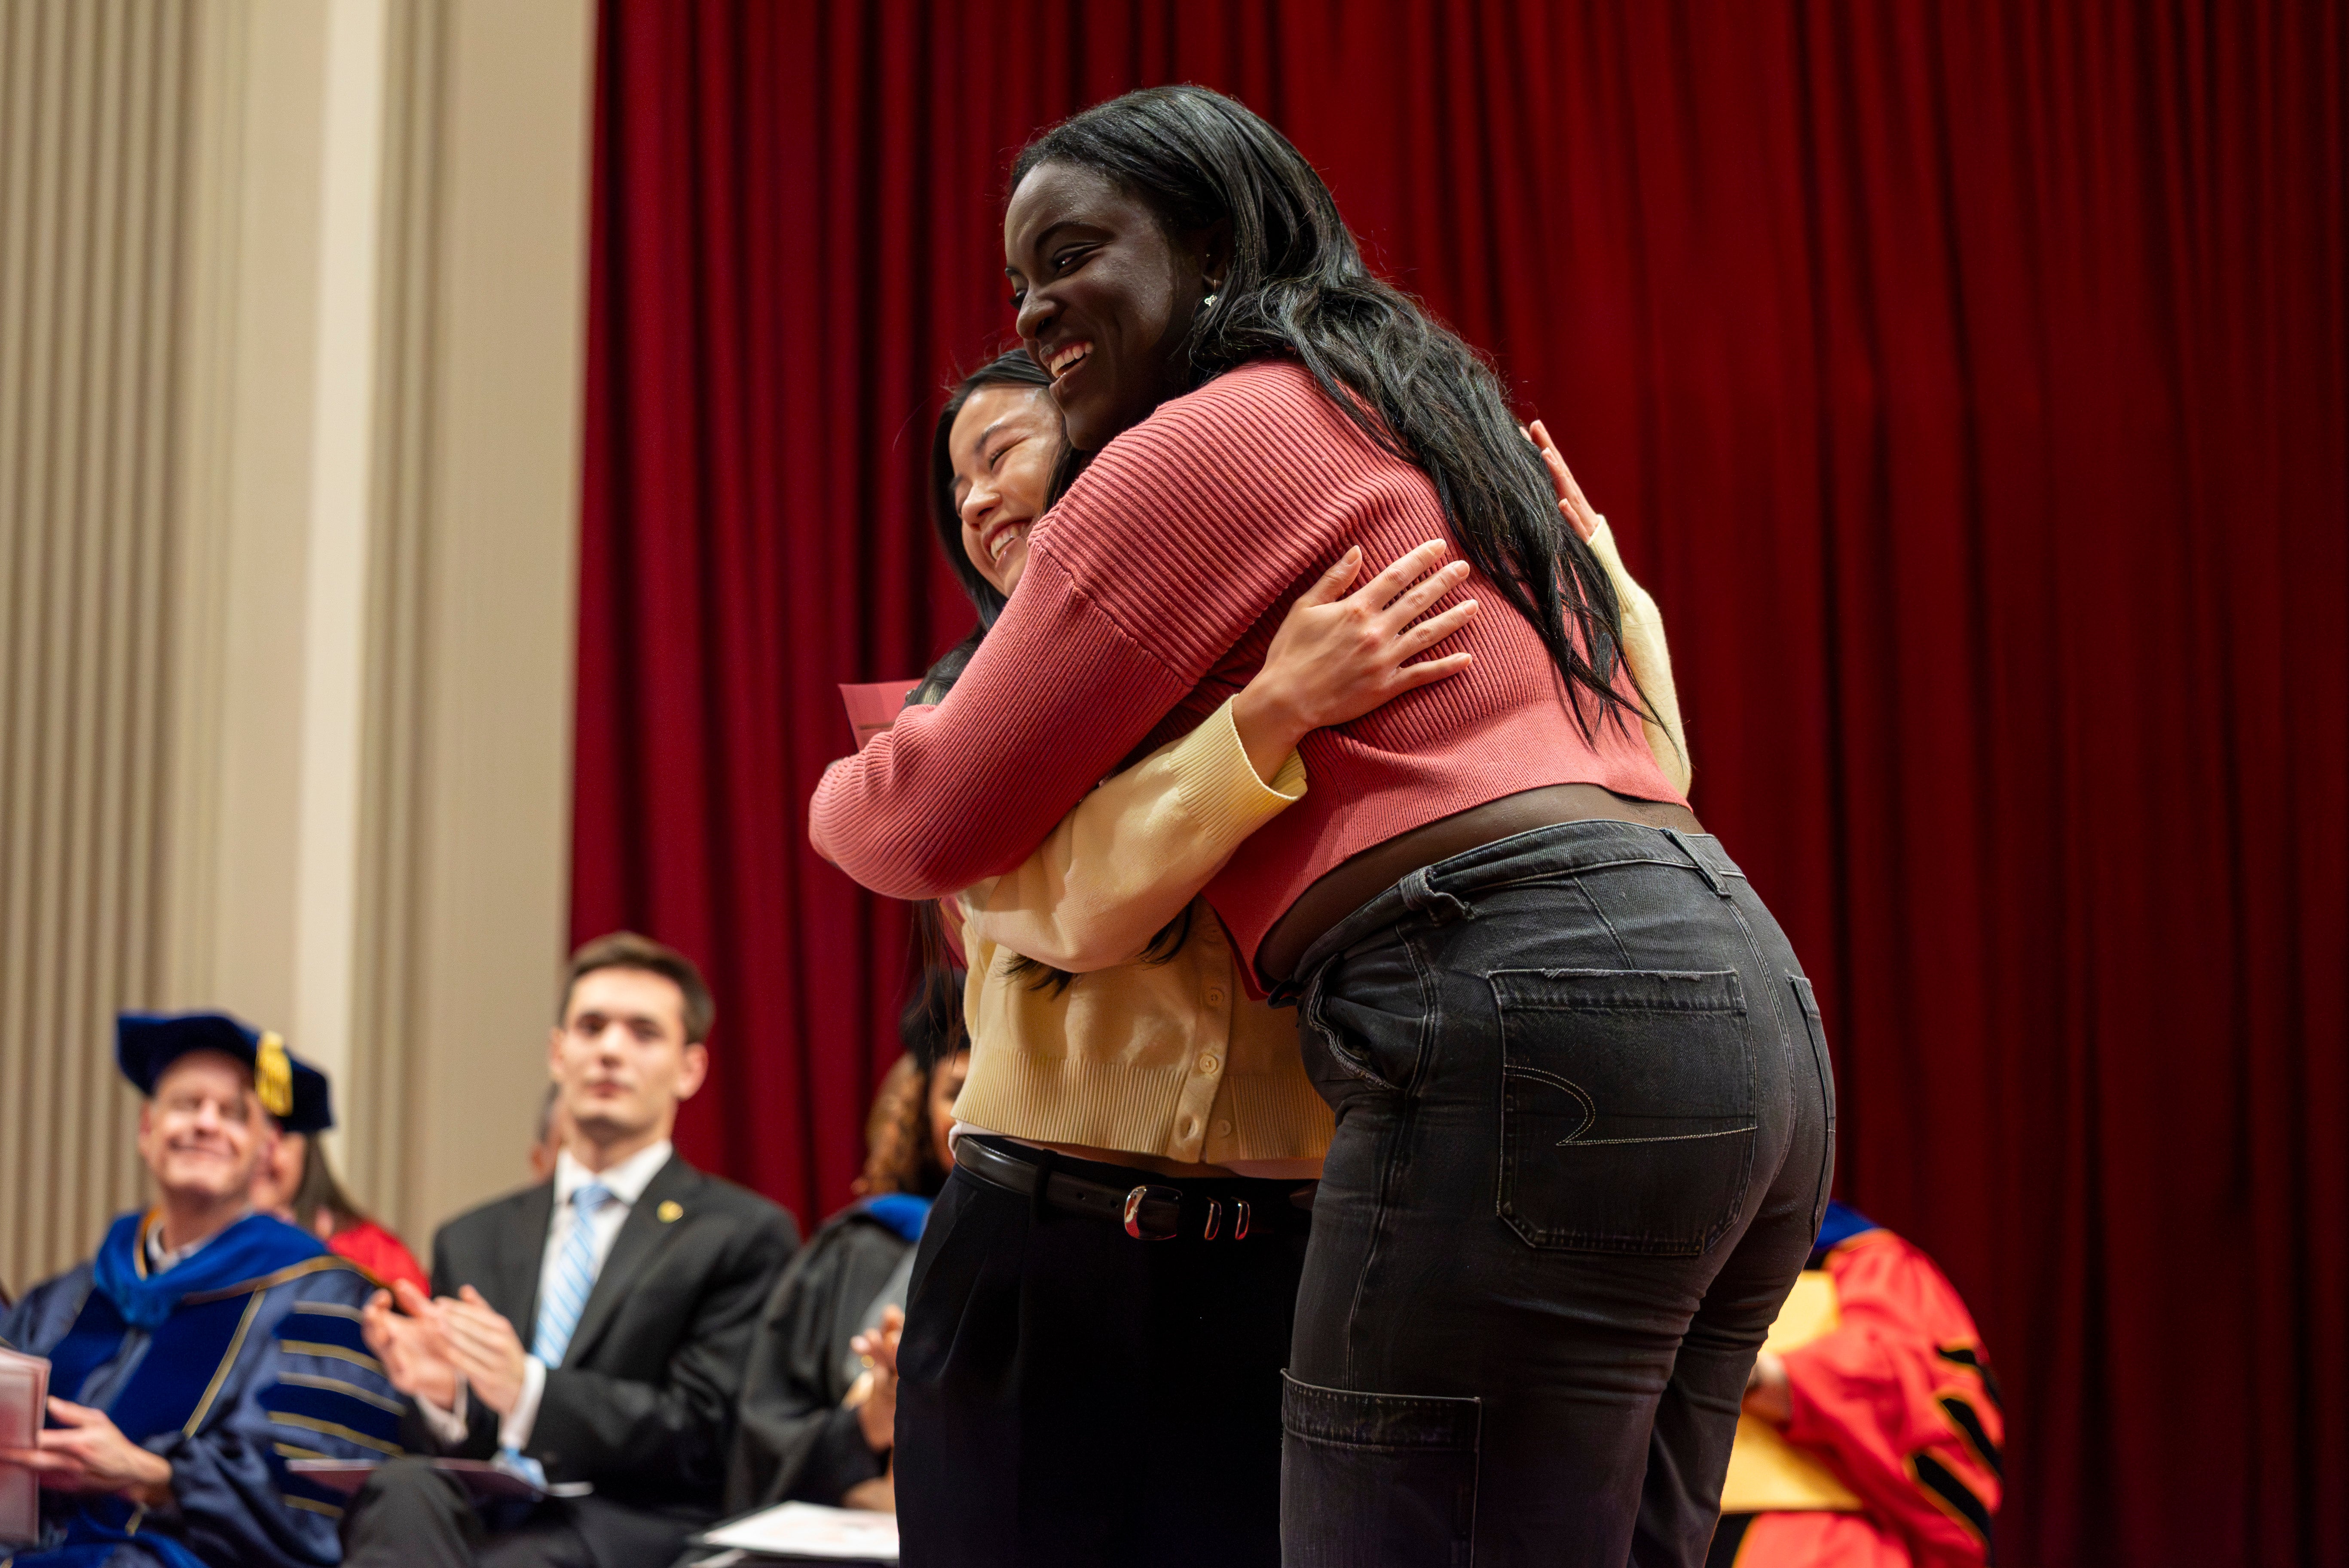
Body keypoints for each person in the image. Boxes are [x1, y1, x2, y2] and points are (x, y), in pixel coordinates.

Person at [810, 85, 1831, 1568]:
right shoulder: (1426, 423)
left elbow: (932, 822)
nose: (1034, 310)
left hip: (1501, 1018)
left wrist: (856, 781)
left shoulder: (1193, 449)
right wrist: (1269, 714)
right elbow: (1646, 751)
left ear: (1214, 243)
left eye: (1072, 256)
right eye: (1015, 281)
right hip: (1743, 996)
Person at [337, 932, 801, 1568]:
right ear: (558, 1054)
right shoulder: (472, 1235)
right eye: (591, 1027)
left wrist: (526, 1389)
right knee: (398, 1489)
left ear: (690, 1070)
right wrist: (447, 1396)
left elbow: (702, 1434)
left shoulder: (740, 1232)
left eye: (643, 1032)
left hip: (627, 1522)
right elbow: (459, 1442)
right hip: (486, 1507)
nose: (610, 1049)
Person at [0, 1012, 403, 1567]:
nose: (206, 1124)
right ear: (147, 1129)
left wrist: (156, 1476)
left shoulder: (322, 1300)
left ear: (267, 1150)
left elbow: (311, 1502)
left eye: (234, 1113)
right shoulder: (73, 1295)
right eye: (187, 1104)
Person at [726, 968, 967, 1517]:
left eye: (1002, 1094)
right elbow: (764, 1441)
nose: (976, 1115)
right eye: (956, 1091)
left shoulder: (1072, 1262)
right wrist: (869, 1419)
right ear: (918, 1107)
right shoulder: (855, 1249)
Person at [1710, 1202, 2003, 1568]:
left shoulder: (1872, 1260)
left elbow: (1922, 1398)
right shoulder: (1635, 1258)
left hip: (1815, 1546)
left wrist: (1758, 1377)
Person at [248, 1051, 430, 1296]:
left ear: (308, 1152)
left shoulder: (375, 1256)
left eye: (280, 1136)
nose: (260, 1152)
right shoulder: (188, 1245)